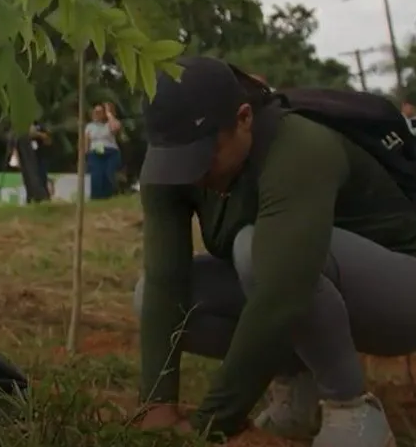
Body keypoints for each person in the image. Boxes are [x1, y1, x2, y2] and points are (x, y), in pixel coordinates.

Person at [133, 55, 416, 446]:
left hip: (400, 297)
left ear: (245, 118)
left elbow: (282, 293)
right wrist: (157, 405)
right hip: (307, 290)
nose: (192, 173)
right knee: (148, 294)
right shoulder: (172, 163)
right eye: (176, 161)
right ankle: (297, 391)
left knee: (256, 251)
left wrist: (211, 425)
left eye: (204, 156)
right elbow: (167, 281)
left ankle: (351, 409)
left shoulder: (298, 146)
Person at [83, 102, 122, 200]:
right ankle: (97, 197)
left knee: (108, 173)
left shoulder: (110, 123)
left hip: (110, 152)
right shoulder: (90, 126)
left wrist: (109, 114)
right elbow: (86, 141)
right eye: (95, 112)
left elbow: (115, 128)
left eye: (100, 112)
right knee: (96, 174)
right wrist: (85, 155)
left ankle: (109, 195)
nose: (96, 114)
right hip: (95, 152)